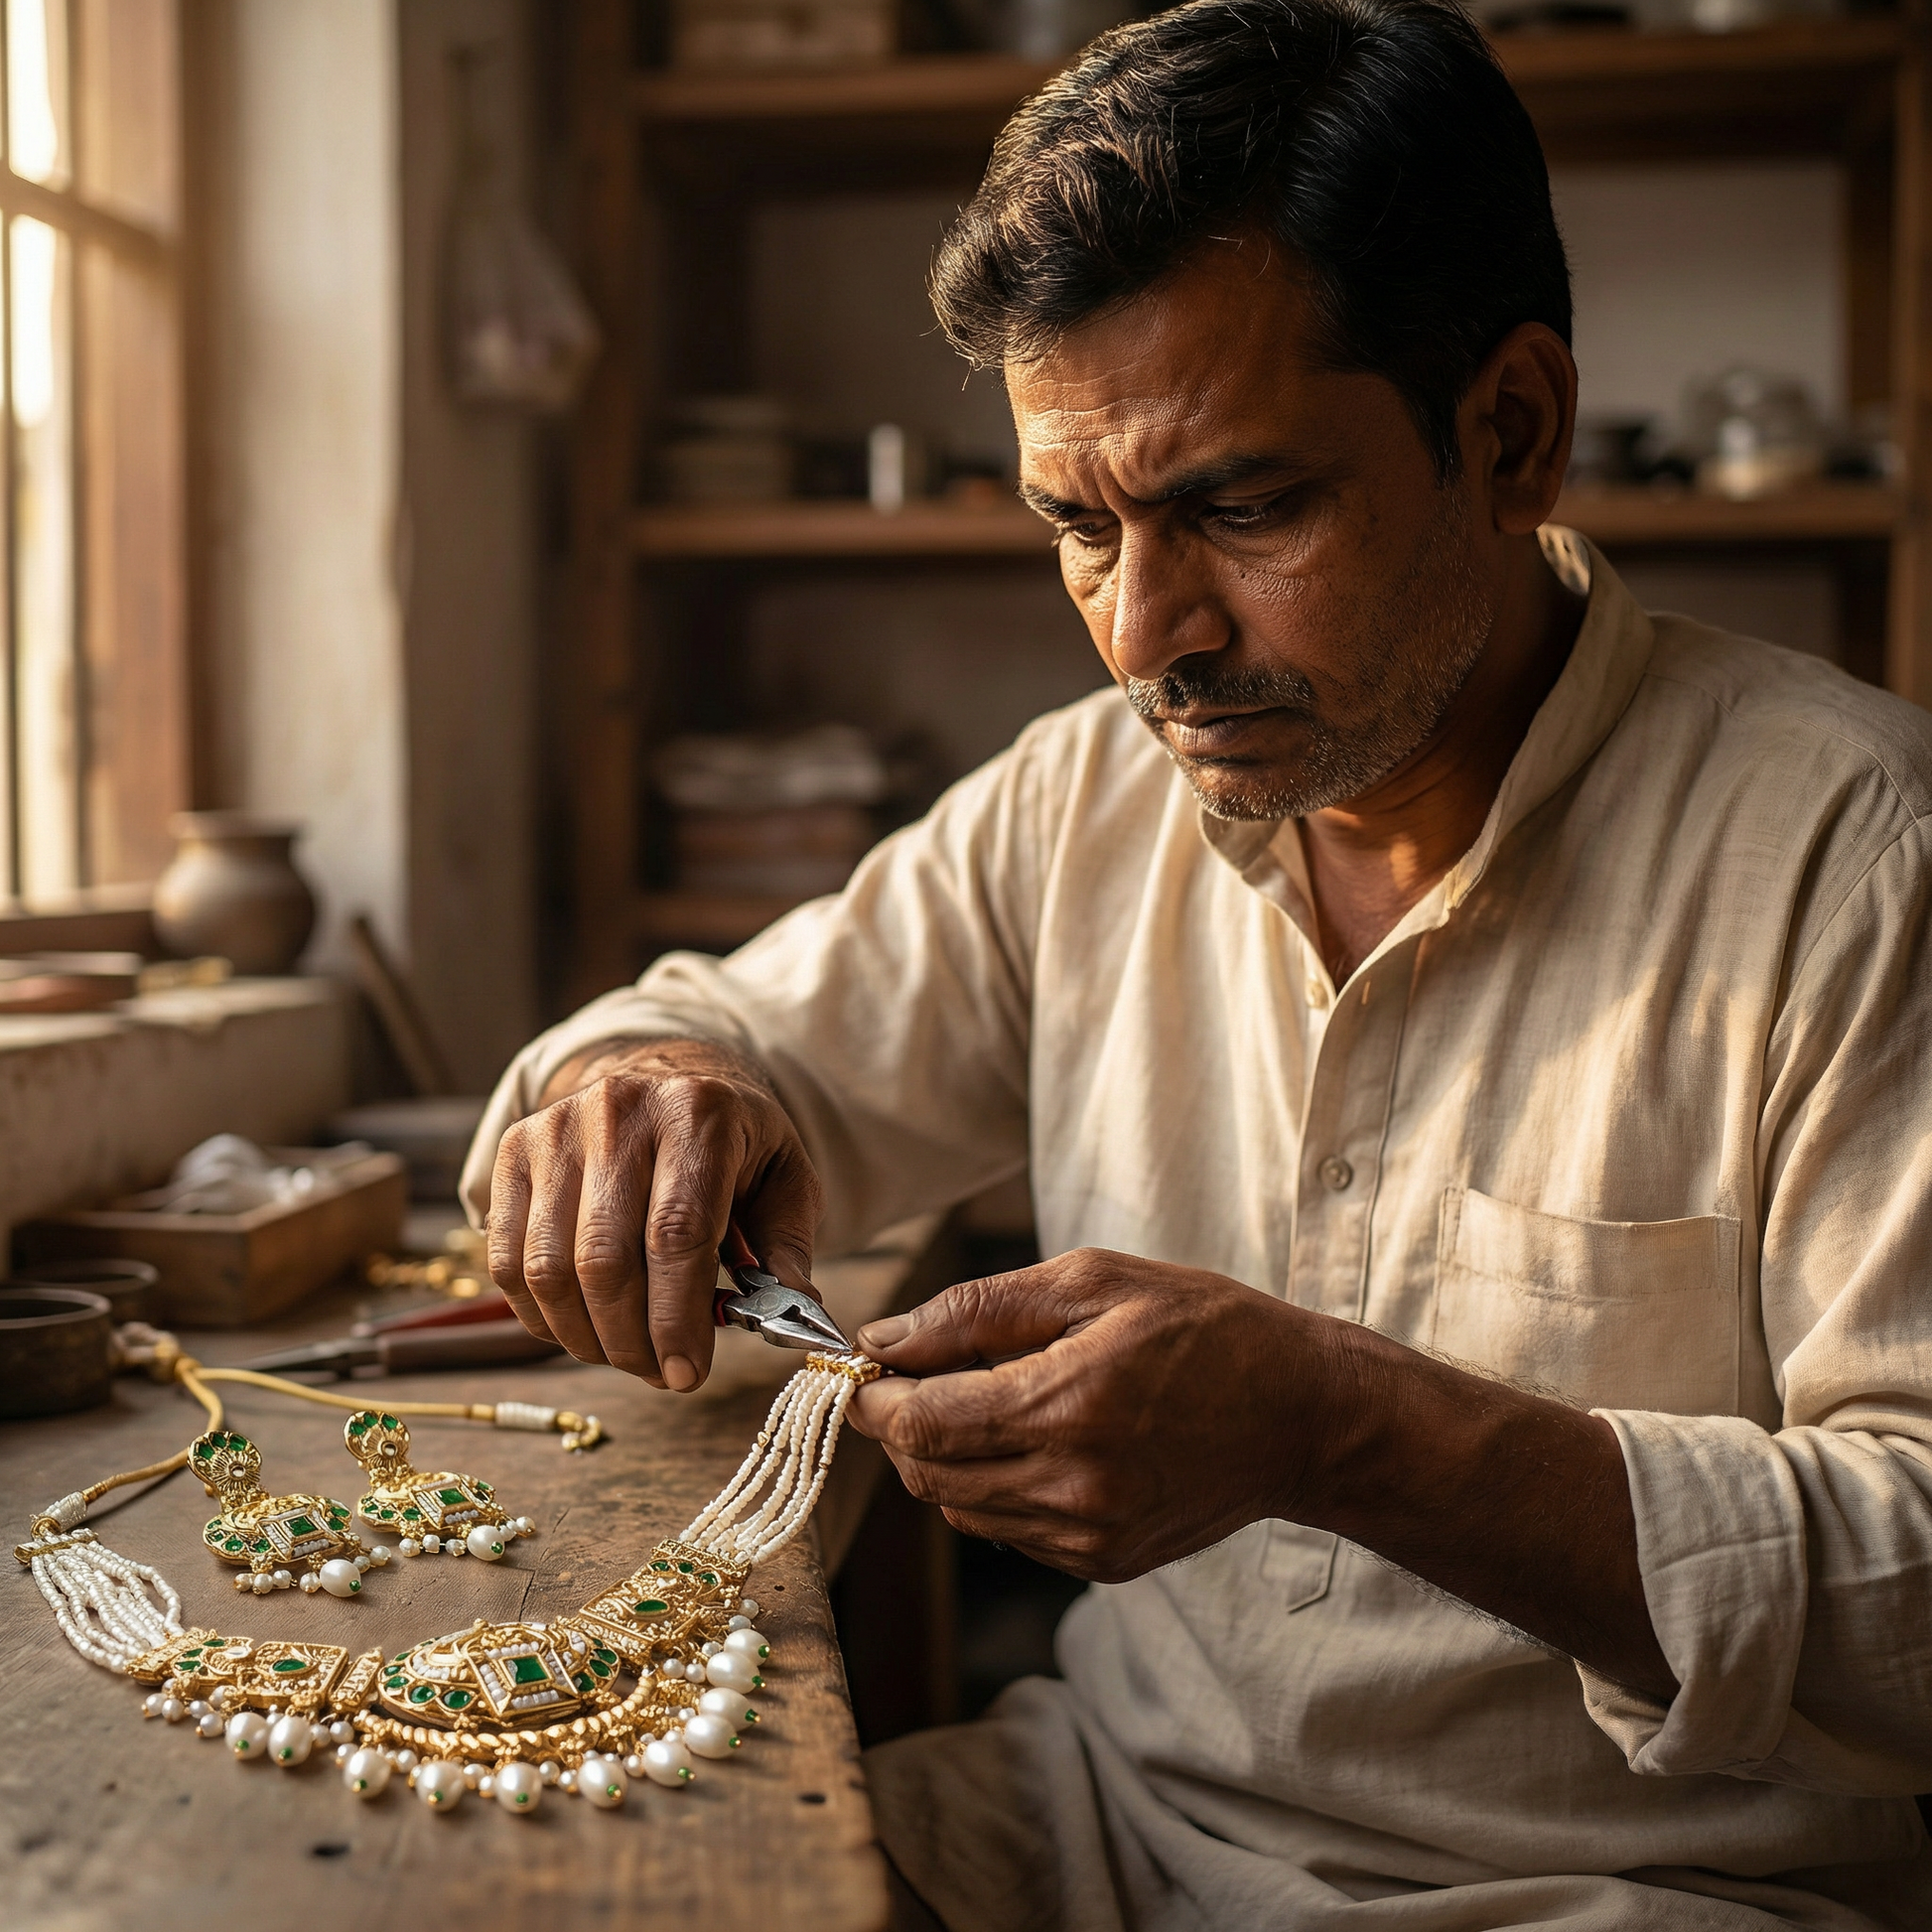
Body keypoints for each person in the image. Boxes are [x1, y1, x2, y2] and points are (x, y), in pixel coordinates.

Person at [463, 2, 1932, 1924]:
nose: (1144, 631)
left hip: (1635, 1895)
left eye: (1241, 508)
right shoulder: (1087, 808)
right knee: (574, 1887)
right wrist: (637, 1096)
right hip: (1107, 1833)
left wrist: (1342, 1431)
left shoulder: (1849, 855)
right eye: (1077, 524)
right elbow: (719, 1029)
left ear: (1511, 434)